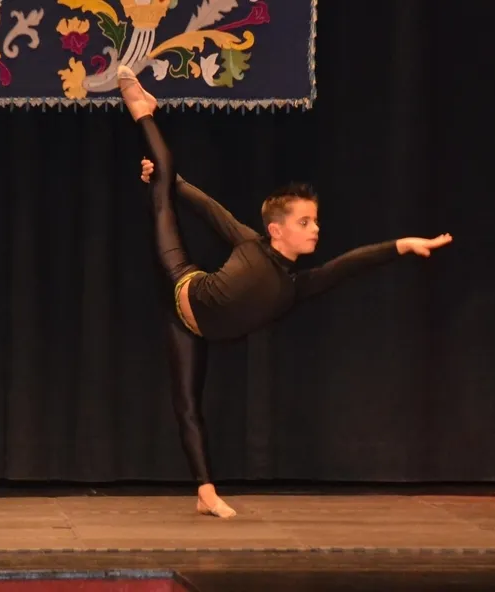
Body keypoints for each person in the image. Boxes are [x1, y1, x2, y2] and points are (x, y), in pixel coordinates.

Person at [117, 65, 452, 518]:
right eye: (304, 222)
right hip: (181, 279)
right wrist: (169, 182)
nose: (316, 229)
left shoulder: (298, 286)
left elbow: (350, 264)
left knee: (188, 406)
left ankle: (205, 492)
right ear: (276, 230)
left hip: (191, 329)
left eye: (314, 221)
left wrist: (402, 245)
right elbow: (209, 210)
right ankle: (142, 110)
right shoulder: (250, 243)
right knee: (162, 191)